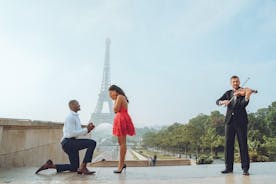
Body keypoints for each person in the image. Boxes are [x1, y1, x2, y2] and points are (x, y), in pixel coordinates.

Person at [35, 100, 97, 175]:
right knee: (92, 143)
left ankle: (50, 166)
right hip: (69, 142)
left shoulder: (75, 117)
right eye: (77, 104)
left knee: (74, 167)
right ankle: (83, 167)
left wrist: (88, 130)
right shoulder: (70, 117)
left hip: (70, 142)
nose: (79, 105)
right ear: (72, 106)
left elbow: (77, 133)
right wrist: (86, 129)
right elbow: (71, 134)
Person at [216, 75, 253, 176]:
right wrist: (223, 101)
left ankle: (245, 169)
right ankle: (228, 168)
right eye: (233, 82)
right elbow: (217, 101)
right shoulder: (228, 93)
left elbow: (243, 105)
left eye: (237, 81)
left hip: (241, 122)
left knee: (243, 145)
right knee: (228, 145)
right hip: (229, 122)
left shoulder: (243, 92)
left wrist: (247, 95)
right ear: (231, 83)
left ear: (239, 82)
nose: (235, 83)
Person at [109, 85, 135, 174]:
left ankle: (120, 165)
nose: (110, 95)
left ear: (116, 91)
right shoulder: (120, 97)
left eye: (111, 92)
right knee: (121, 143)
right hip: (121, 118)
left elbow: (115, 109)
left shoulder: (119, 97)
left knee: (122, 144)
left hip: (121, 119)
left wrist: (115, 101)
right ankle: (121, 164)